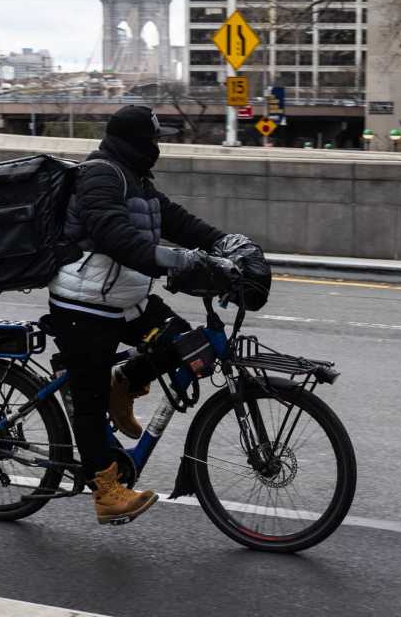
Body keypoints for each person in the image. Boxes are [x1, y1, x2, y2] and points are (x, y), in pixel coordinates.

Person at [48, 105, 238, 525]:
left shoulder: (137, 179)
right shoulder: (99, 173)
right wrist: (172, 261)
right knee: (88, 398)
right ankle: (106, 491)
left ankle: (127, 382)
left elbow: (180, 222)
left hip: (124, 297)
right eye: (151, 139)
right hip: (84, 303)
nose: (156, 146)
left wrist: (228, 244)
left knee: (186, 344)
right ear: (133, 141)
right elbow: (114, 235)